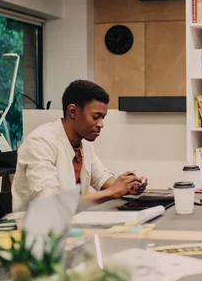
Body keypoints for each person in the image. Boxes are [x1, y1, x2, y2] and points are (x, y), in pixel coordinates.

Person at [12, 80, 148, 212]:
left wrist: (129, 185)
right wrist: (112, 192)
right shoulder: (40, 143)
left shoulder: (83, 144)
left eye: (103, 118)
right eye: (96, 117)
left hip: (72, 225)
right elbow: (50, 203)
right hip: (34, 231)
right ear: (72, 111)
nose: (101, 124)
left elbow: (101, 179)